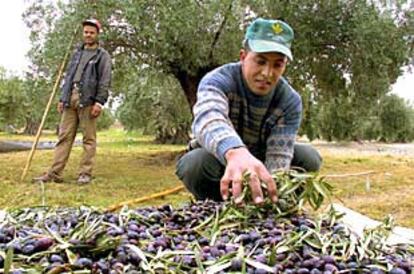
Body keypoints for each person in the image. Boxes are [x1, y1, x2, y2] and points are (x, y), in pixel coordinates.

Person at [176, 18, 322, 204]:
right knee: (195, 164)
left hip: (261, 160)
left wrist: (271, 191)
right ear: (243, 56)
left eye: (277, 64)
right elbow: (209, 119)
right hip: (220, 158)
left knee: (308, 157)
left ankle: (275, 206)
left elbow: (279, 158)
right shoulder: (217, 80)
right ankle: (215, 206)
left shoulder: (289, 101)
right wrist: (235, 152)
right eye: (260, 61)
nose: (267, 73)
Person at [33, 19, 112, 184]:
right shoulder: (77, 54)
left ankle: (85, 173)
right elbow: (68, 77)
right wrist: (63, 98)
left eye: (91, 32)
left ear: (97, 34)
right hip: (71, 98)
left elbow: (105, 80)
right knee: (64, 136)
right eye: (86, 32)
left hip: (88, 100)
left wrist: (99, 102)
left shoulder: (102, 56)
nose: (88, 35)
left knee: (88, 139)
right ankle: (54, 173)